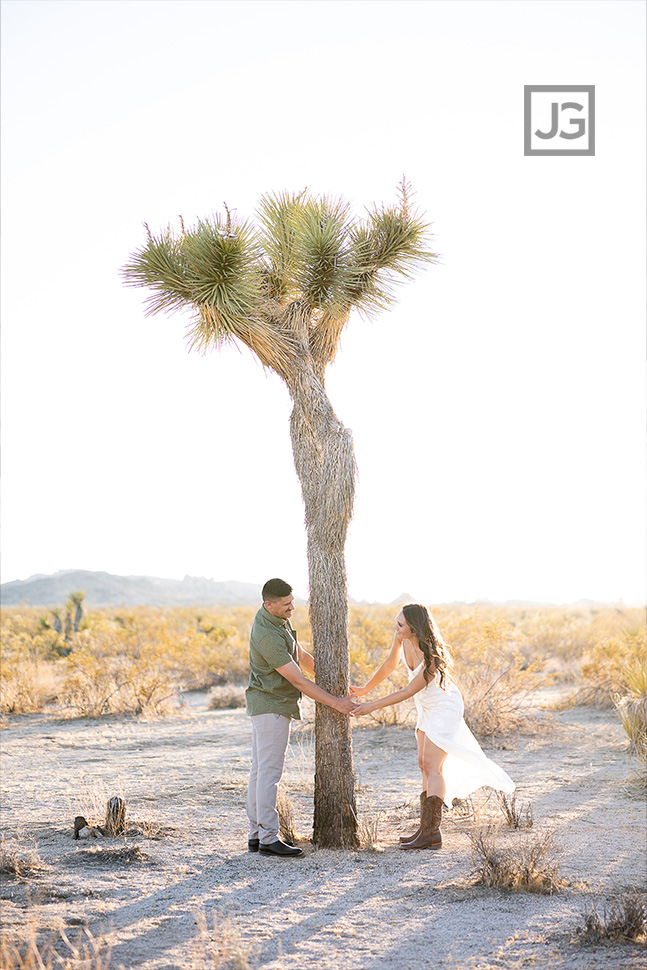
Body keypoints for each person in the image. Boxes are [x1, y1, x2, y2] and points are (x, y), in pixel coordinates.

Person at [350, 604, 515, 850]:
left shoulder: (432, 659)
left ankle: (432, 833)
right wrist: (364, 689)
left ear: (414, 629)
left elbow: (407, 691)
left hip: (444, 706)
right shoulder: (401, 639)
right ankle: (424, 829)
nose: (396, 628)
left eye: (401, 625)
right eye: (396, 622)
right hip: (426, 707)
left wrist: (371, 706)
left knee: (432, 766)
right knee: (422, 764)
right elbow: (389, 665)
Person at [246, 578, 357, 857]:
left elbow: (301, 655)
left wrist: (332, 680)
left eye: (292, 601)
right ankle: (269, 839)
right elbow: (299, 681)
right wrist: (337, 703)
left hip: (269, 704)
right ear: (268, 604)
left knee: (260, 772)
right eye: (286, 604)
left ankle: (257, 835)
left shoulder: (276, 621)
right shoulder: (267, 635)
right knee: (269, 774)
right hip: (271, 706)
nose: (292, 607)